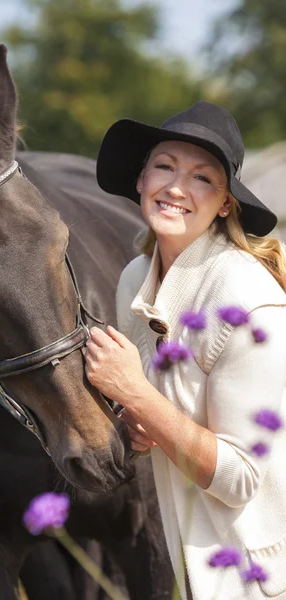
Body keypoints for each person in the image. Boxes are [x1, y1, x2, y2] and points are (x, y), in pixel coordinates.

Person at [84, 101, 286, 599]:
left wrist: (135, 392)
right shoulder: (138, 275)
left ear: (224, 204)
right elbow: (163, 416)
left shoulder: (246, 302)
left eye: (201, 177)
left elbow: (239, 478)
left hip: (260, 574)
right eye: (165, 166)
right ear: (140, 179)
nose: (176, 187)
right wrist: (139, 420)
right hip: (196, 562)